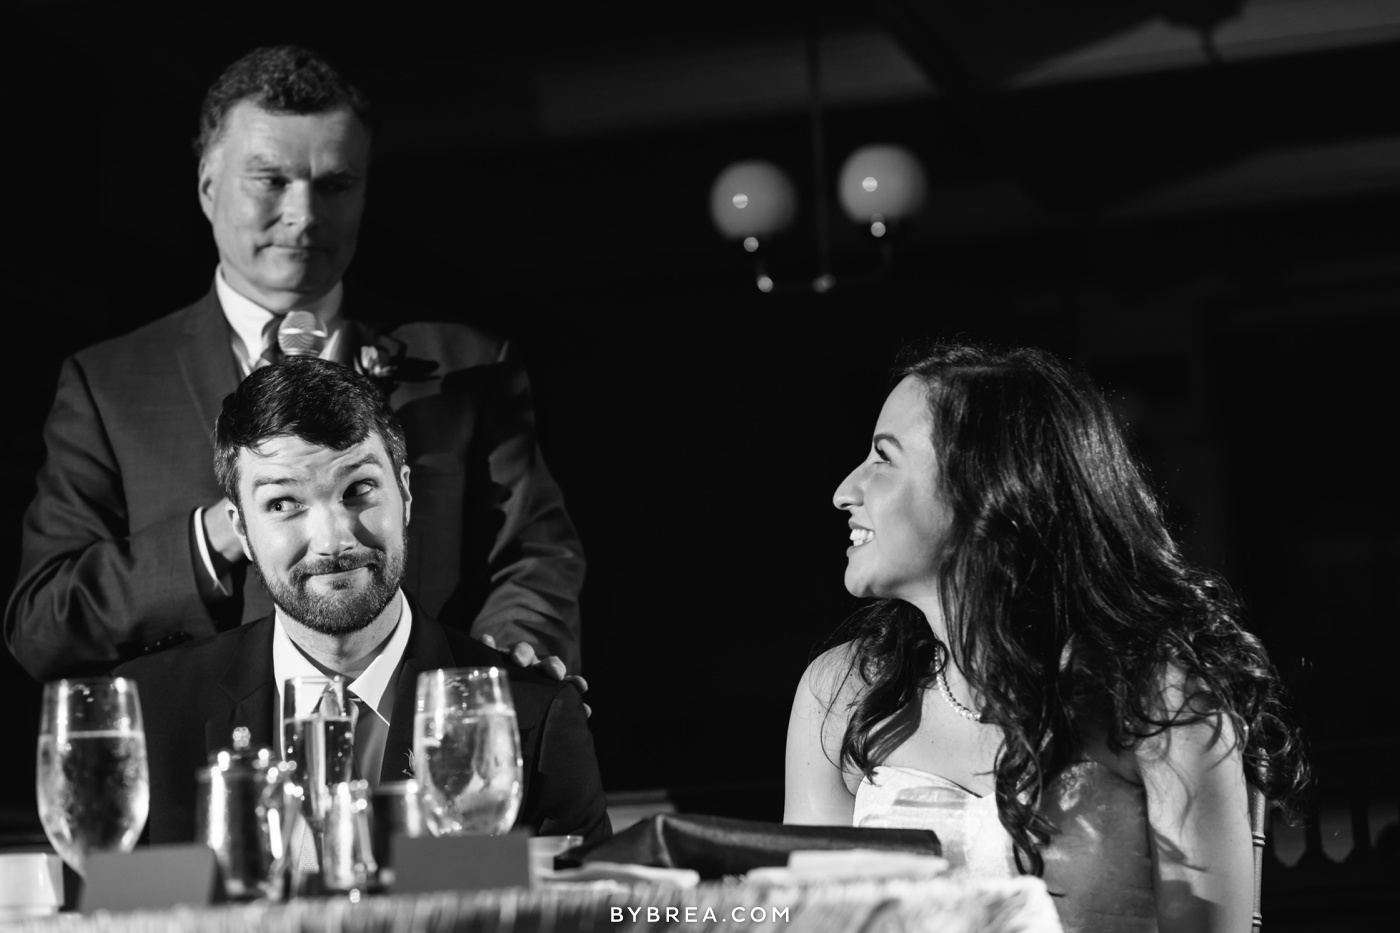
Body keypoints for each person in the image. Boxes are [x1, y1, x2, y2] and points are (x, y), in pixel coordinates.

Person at [5, 45, 585, 682]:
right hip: (199, 766)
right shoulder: (108, 385)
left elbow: (533, 558)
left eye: (336, 184)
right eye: (271, 180)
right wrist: (224, 533)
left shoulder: (471, 366)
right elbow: (42, 626)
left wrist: (499, 664)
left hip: (412, 754)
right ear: (206, 186)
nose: (305, 216)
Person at [785, 344, 1306, 933]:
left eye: (883, 458)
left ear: (986, 486)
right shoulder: (840, 694)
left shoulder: (1158, 700)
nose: (844, 491)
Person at [114, 358, 609, 844]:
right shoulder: (147, 713)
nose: (332, 540)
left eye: (359, 490)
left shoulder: (534, 717)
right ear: (242, 529)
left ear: (406, 495)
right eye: (283, 504)